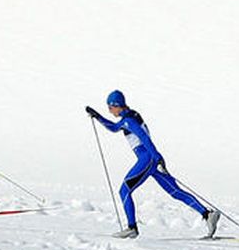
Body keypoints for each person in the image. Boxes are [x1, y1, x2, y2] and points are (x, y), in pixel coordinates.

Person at [86, 90, 220, 239]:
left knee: (124, 191)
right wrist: (97, 116)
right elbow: (114, 128)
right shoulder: (130, 116)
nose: (109, 111)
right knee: (175, 192)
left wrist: (157, 157)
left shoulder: (128, 120)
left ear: (117, 105)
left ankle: (132, 228)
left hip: (147, 159)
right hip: (152, 159)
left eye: (110, 108)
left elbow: (143, 137)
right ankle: (208, 214)